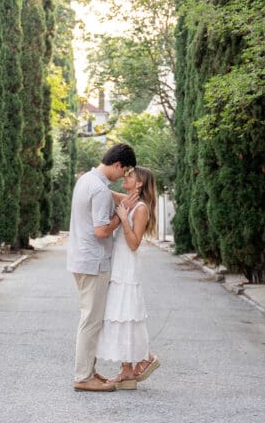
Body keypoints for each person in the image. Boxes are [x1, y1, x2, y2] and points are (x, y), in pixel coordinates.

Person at [66, 142, 137, 392]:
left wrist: (123, 199)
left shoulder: (88, 179)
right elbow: (101, 231)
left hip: (82, 259)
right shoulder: (97, 187)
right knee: (91, 321)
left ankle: (89, 371)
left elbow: (109, 196)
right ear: (117, 165)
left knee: (91, 318)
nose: (123, 177)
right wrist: (122, 215)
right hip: (94, 261)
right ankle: (83, 376)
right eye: (124, 171)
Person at [96, 166, 160, 388]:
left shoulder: (140, 208)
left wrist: (123, 217)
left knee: (127, 315)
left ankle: (145, 358)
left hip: (128, 268)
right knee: (120, 316)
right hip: (118, 265)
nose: (125, 176)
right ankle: (127, 370)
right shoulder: (131, 199)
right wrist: (94, 178)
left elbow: (134, 244)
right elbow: (109, 193)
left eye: (130, 175)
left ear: (140, 183)